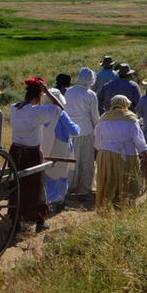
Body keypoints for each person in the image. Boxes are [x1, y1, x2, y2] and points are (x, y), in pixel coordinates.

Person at [8, 78, 63, 233]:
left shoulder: (14, 108)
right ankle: (39, 219)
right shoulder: (37, 111)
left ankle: (16, 220)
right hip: (32, 153)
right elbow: (60, 108)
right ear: (39, 96)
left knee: (17, 187)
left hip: (15, 152)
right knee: (36, 186)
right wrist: (47, 92)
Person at [93, 95, 147, 211]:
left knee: (108, 182)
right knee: (126, 183)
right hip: (127, 156)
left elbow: (97, 142)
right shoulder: (131, 119)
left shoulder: (103, 119)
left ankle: (107, 209)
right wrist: (145, 156)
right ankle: (124, 208)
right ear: (126, 105)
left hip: (106, 155)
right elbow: (139, 140)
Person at [64, 68, 100, 198]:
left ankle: (69, 186)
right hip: (86, 130)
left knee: (72, 160)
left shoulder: (68, 92)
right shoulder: (91, 94)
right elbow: (95, 117)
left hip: (71, 130)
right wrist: (99, 130)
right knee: (86, 160)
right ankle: (84, 187)